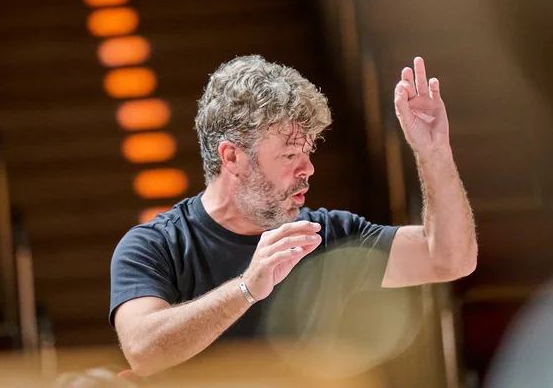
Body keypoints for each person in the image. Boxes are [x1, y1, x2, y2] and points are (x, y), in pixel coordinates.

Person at [109, 55, 477, 377]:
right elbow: (144, 351)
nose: (309, 168)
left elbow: (449, 258)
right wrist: (247, 288)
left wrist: (434, 152)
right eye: (289, 155)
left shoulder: (326, 234)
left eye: (309, 150)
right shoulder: (155, 245)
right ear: (232, 157)